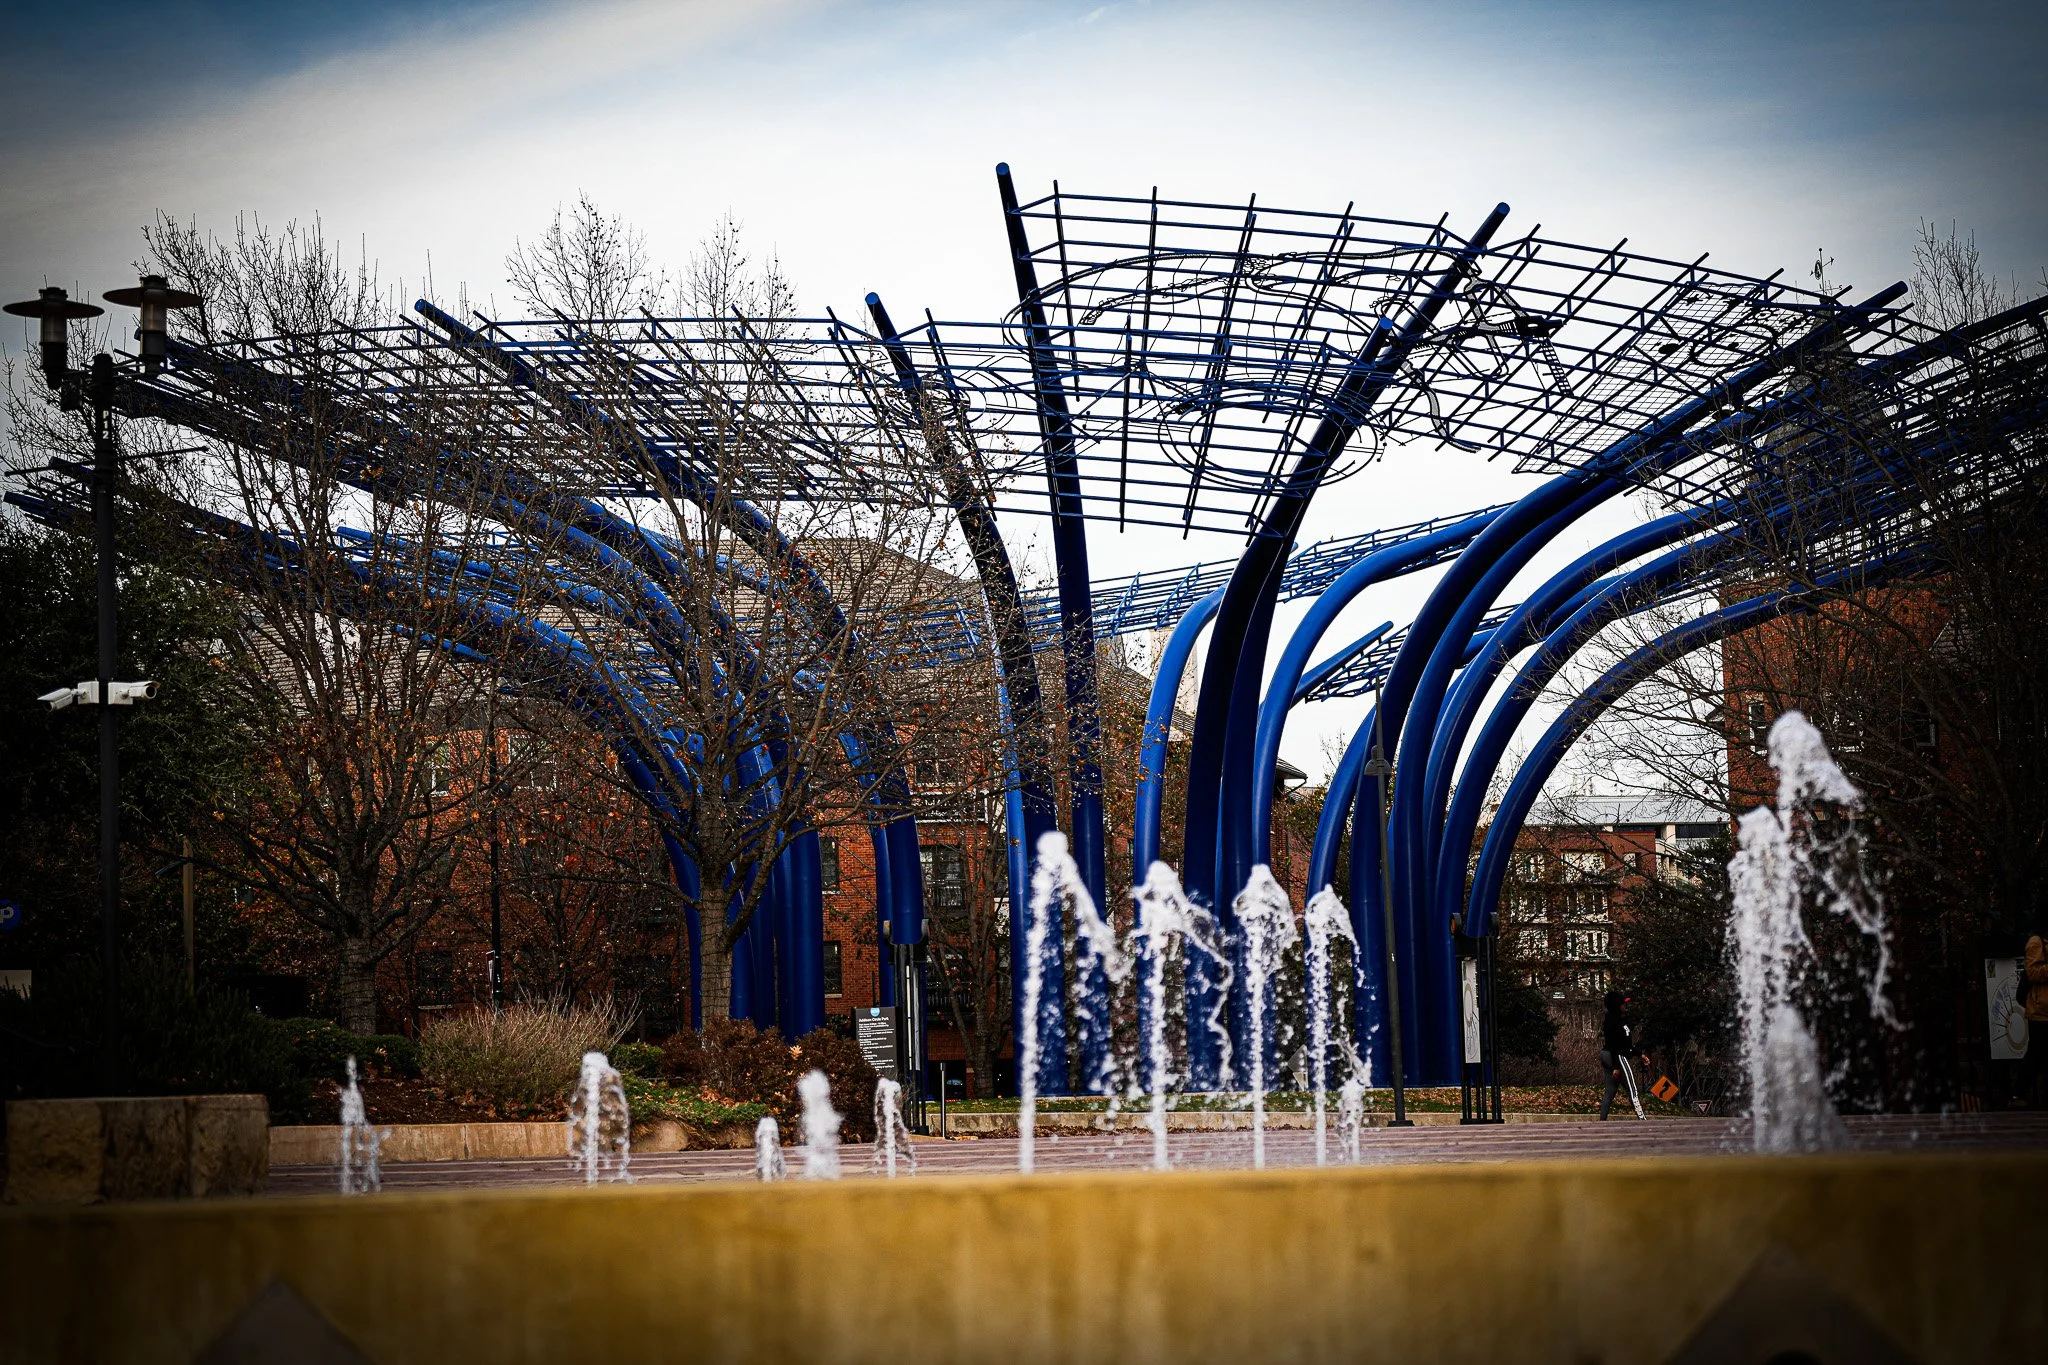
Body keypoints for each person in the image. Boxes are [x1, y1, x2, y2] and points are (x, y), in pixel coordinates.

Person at [1598, 991, 1644, 1120]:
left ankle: (1602, 1120)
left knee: (1610, 1092)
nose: (1625, 1005)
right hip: (1616, 1056)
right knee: (1632, 1090)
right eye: (1623, 1003)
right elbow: (1614, 1044)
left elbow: (1626, 1044)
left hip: (1610, 1055)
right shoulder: (1614, 1021)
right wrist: (1616, 1067)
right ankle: (1642, 1118)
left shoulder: (1619, 1020)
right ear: (1616, 1005)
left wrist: (1640, 1054)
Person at [2023, 931, 2048, 1107]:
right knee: (2036, 1055)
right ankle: (2019, 1093)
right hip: (2041, 1011)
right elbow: (2031, 972)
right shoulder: (2036, 942)